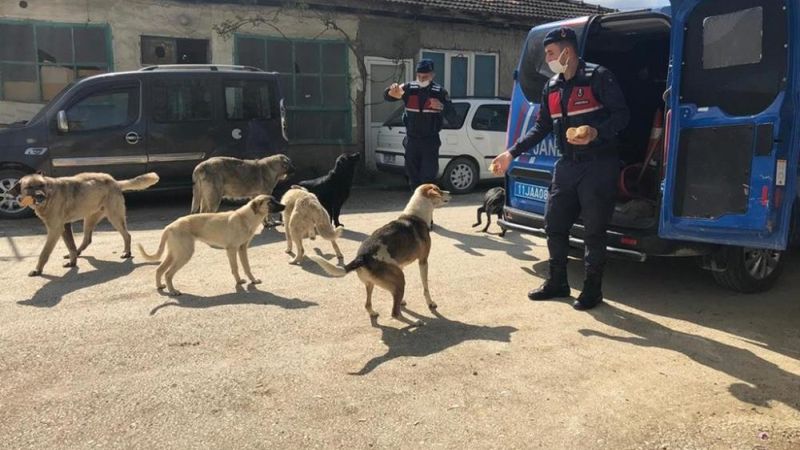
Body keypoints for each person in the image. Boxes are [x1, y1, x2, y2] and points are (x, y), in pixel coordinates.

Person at [490, 27, 630, 311]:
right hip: (566, 165)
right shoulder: (552, 86)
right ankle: (557, 282)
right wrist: (511, 153)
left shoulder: (598, 76)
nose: (548, 59)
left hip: (598, 164)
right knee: (553, 224)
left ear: (567, 51)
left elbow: (622, 116)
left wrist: (596, 132)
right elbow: (541, 126)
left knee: (593, 231)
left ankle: (592, 290)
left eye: (551, 53)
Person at [384, 59, 455, 189]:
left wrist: (441, 107)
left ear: (432, 75)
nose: (421, 79)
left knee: (428, 177)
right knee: (412, 176)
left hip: (430, 141)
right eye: (419, 76)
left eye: (425, 77)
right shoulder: (409, 89)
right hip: (412, 140)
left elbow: (453, 116)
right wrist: (391, 90)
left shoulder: (439, 92)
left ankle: (426, 200)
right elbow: (388, 96)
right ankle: (416, 198)